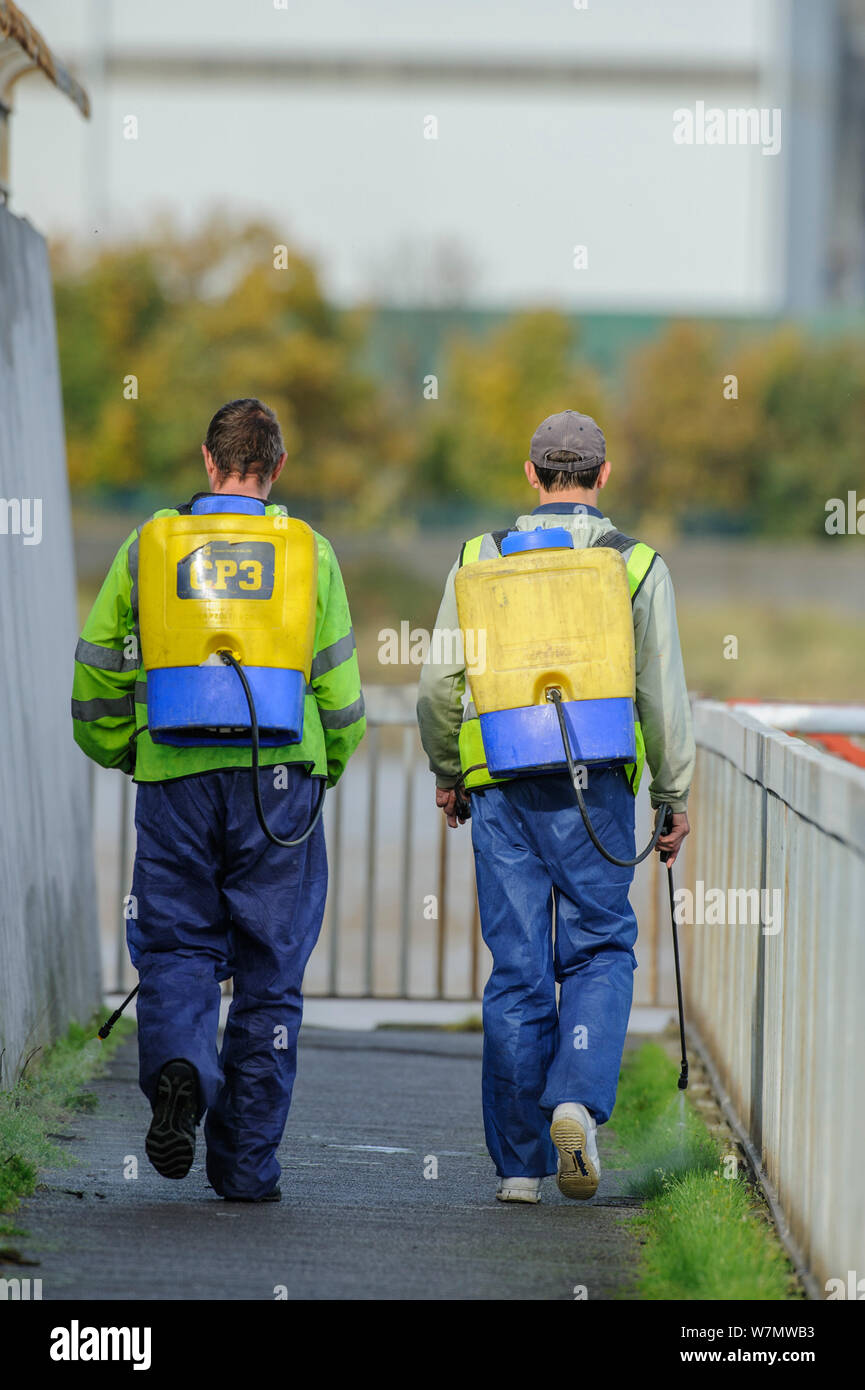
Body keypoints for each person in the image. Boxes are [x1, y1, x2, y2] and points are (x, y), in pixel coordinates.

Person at [72, 398, 365, 1202]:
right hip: (281, 780)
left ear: (207, 461)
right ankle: (243, 1168)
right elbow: (340, 693)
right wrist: (324, 764)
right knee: (271, 975)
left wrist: (122, 748)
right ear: (275, 468)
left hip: (175, 775)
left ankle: (178, 1066)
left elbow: (97, 666)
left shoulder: (149, 547)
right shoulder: (309, 552)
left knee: (176, 947)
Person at [416, 409, 695, 1205]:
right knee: (599, 951)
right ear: (602, 478)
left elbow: (438, 686)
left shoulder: (477, 557)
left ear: (531, 476)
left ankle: (517, 1169)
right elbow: (661, 696)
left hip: (500, 783)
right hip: (597, 787)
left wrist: (448, 769)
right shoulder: (636, 565)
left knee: (517, 969)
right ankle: (574, 1097)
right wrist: (672, 793)